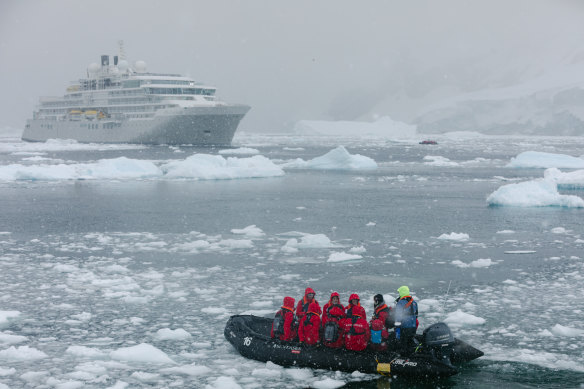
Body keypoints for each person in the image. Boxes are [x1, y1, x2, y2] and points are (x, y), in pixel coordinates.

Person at [392, 286, 418, 353]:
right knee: (410, 343)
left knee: (403, 344)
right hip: (413, 327)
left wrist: (397, 329)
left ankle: (403, 358)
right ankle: (411, 357)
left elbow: (398, 317)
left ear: (401, 293)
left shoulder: (400, 303)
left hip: (404, 327)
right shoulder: (414, 303)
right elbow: (416, 315)